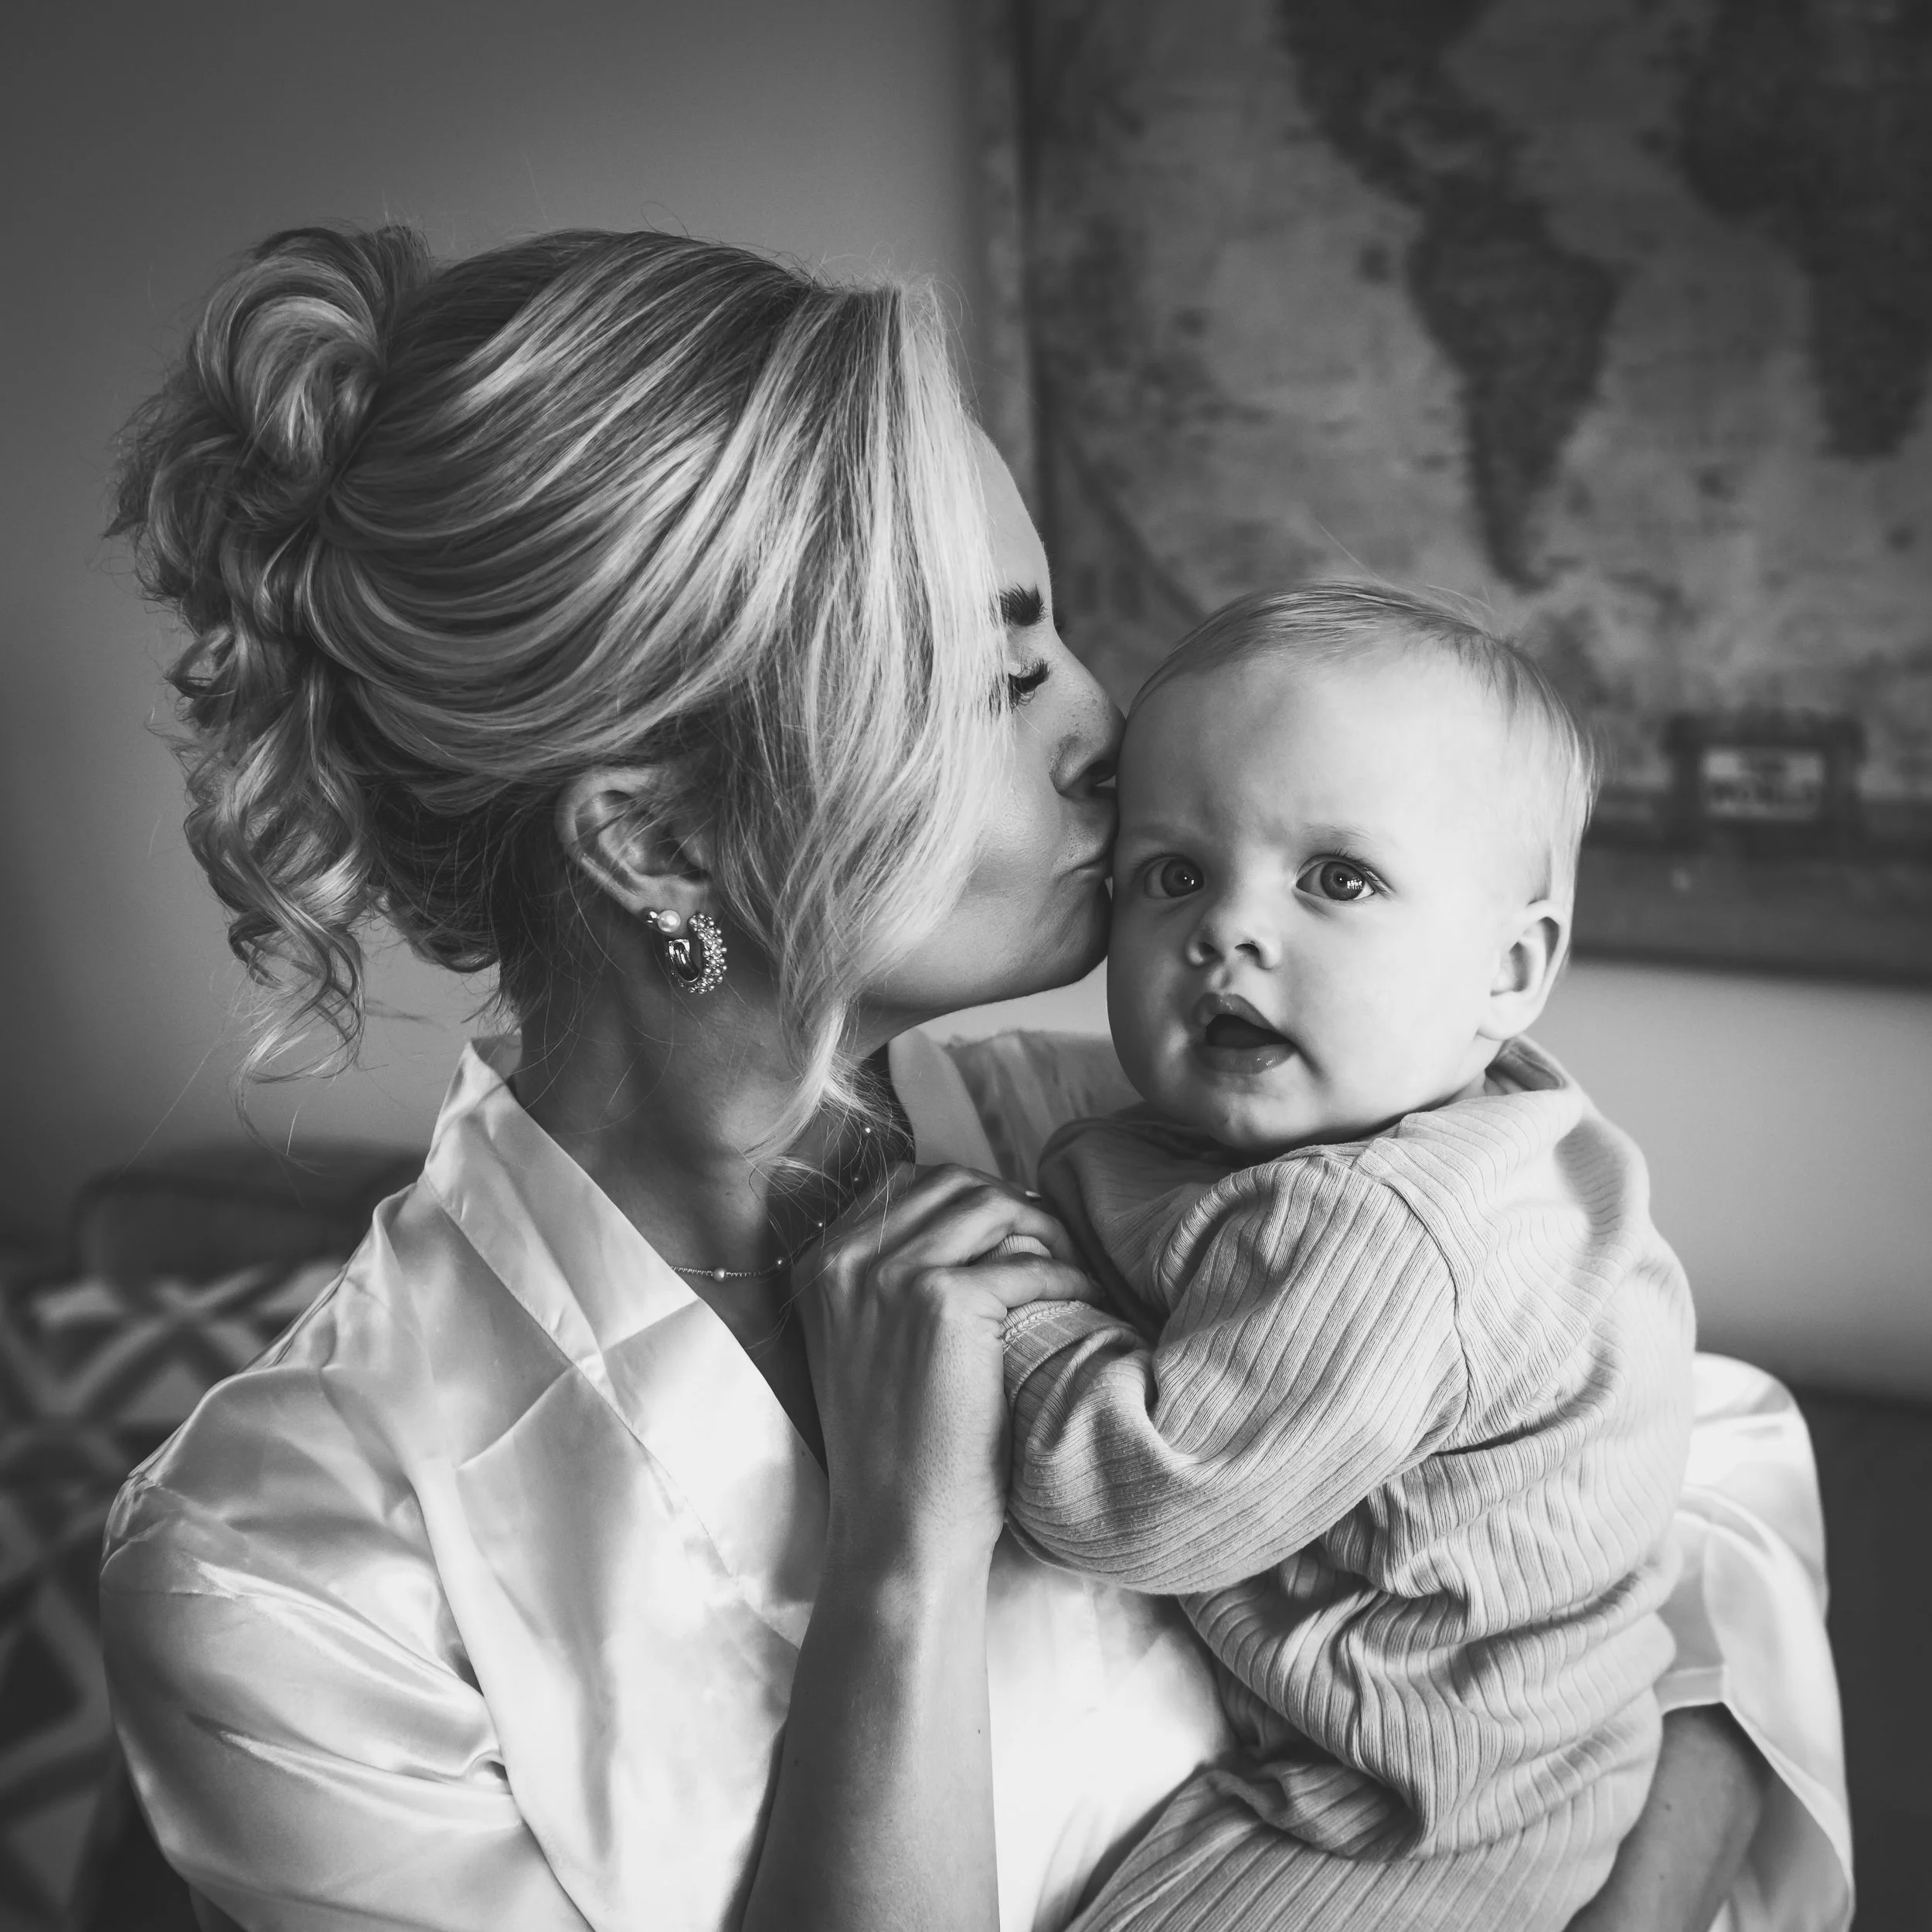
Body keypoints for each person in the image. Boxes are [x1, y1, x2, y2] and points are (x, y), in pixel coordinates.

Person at [100, 223, 1851, 1932]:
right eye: (1002, 675)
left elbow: (1682, 1457)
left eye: (1059, 637)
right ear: (658, 841)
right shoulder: (291, 1574)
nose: (1105, 732)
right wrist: (906, 1552)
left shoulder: (1144, 1136)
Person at [996, 585, 1695, 1930]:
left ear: (1509, 972)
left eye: (1339, 879)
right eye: (1173, 874)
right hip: (1535, 1739)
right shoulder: (1464, 1116)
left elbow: (1139, 1507)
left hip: (1409, 1819)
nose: (1227, 929)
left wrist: (1022, 1314)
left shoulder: (1381, 1232)